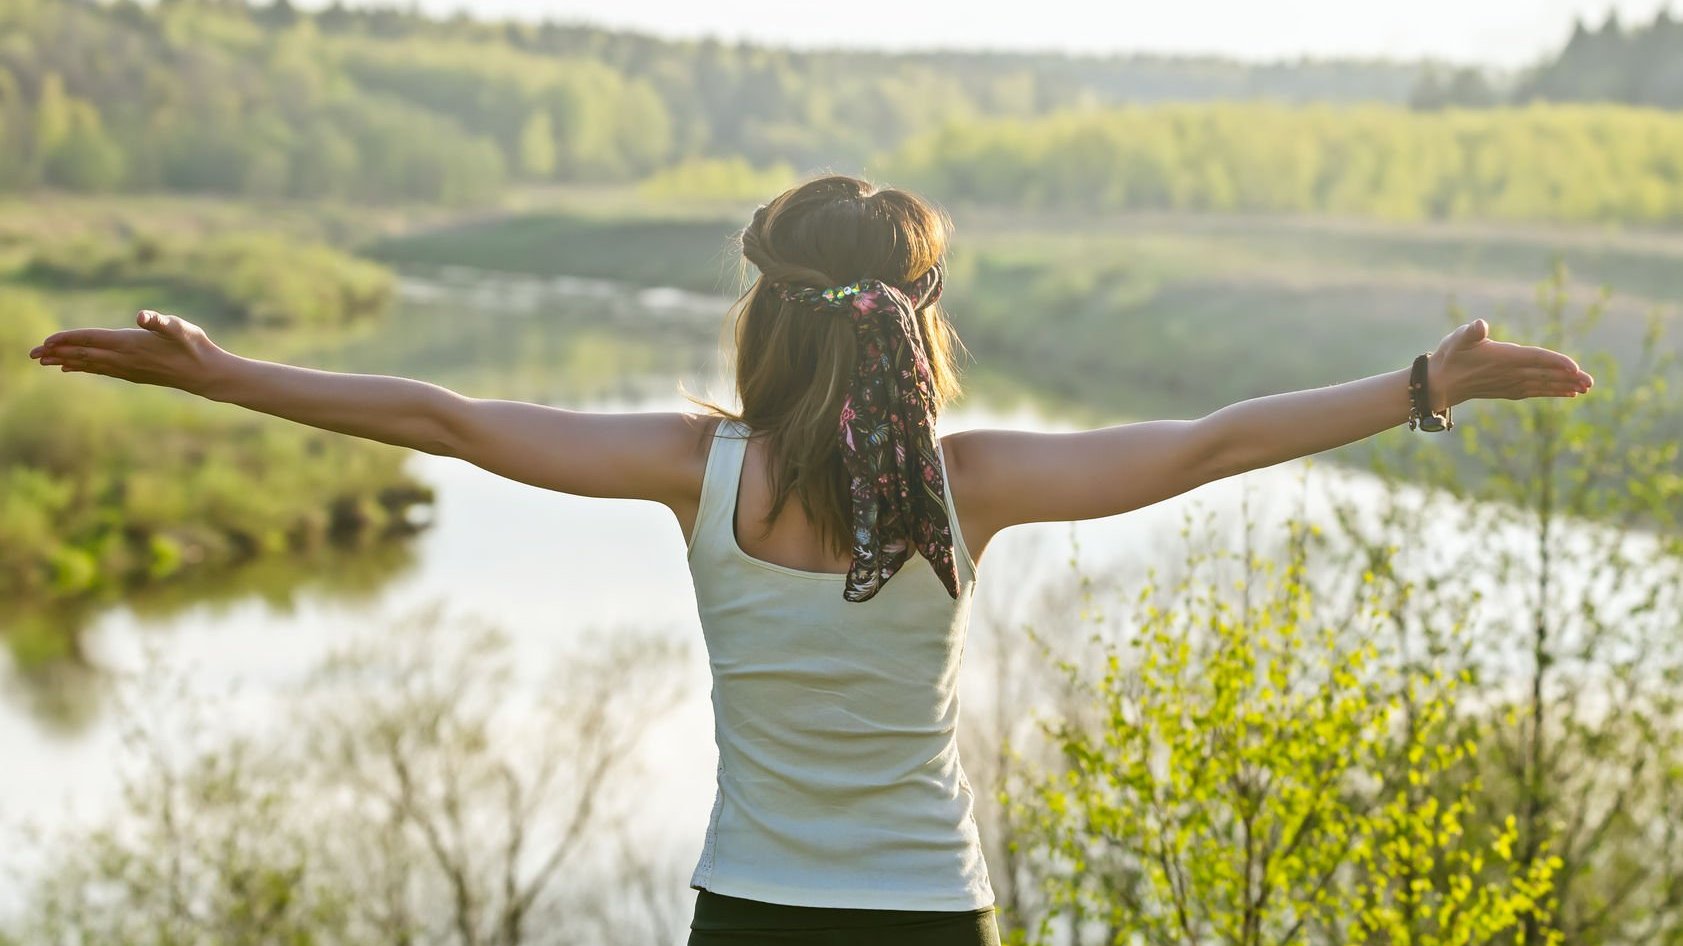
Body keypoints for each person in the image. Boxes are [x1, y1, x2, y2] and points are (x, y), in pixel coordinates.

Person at [25, 174, 1594, 946]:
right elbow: (1200, 443)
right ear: (913, 330)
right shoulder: (967, 491)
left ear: (763, 317)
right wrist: (1412, 391)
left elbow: (444, 413)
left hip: (748, 910)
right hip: (929, 912)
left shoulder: (694, 468)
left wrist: (227, 376)